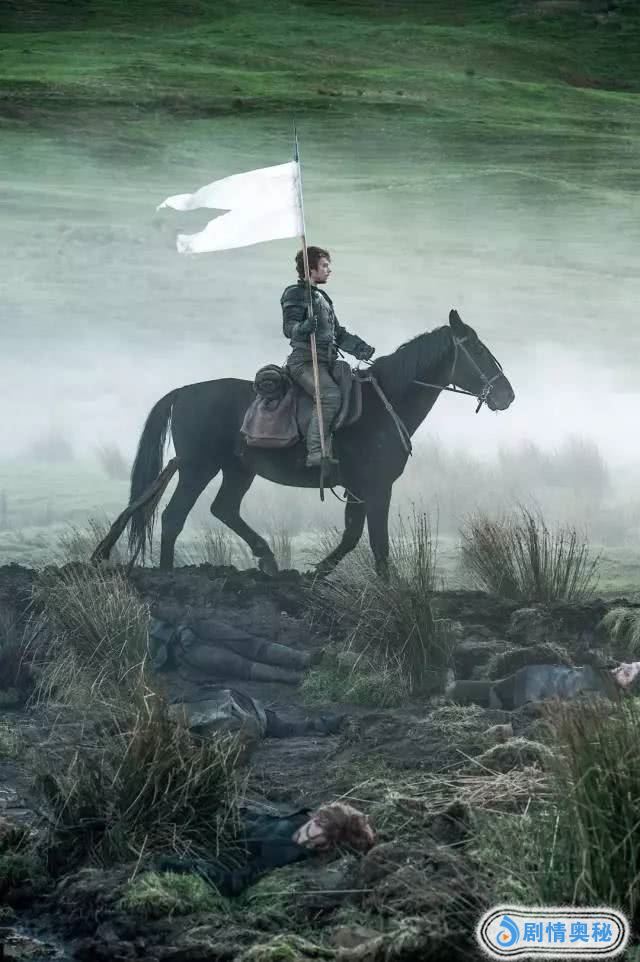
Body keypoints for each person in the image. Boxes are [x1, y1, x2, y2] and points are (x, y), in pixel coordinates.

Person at [281, 246, 375, 468]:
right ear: (310, 269)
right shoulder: (295, 294)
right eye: (324, 266)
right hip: (304, 362)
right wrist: (303, 327)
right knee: (329, 395)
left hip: (326, 361)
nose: (328, 270)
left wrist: (360, 348)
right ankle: (315, 451)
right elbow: (289, 328)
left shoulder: (321, 297)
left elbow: (337, 334)